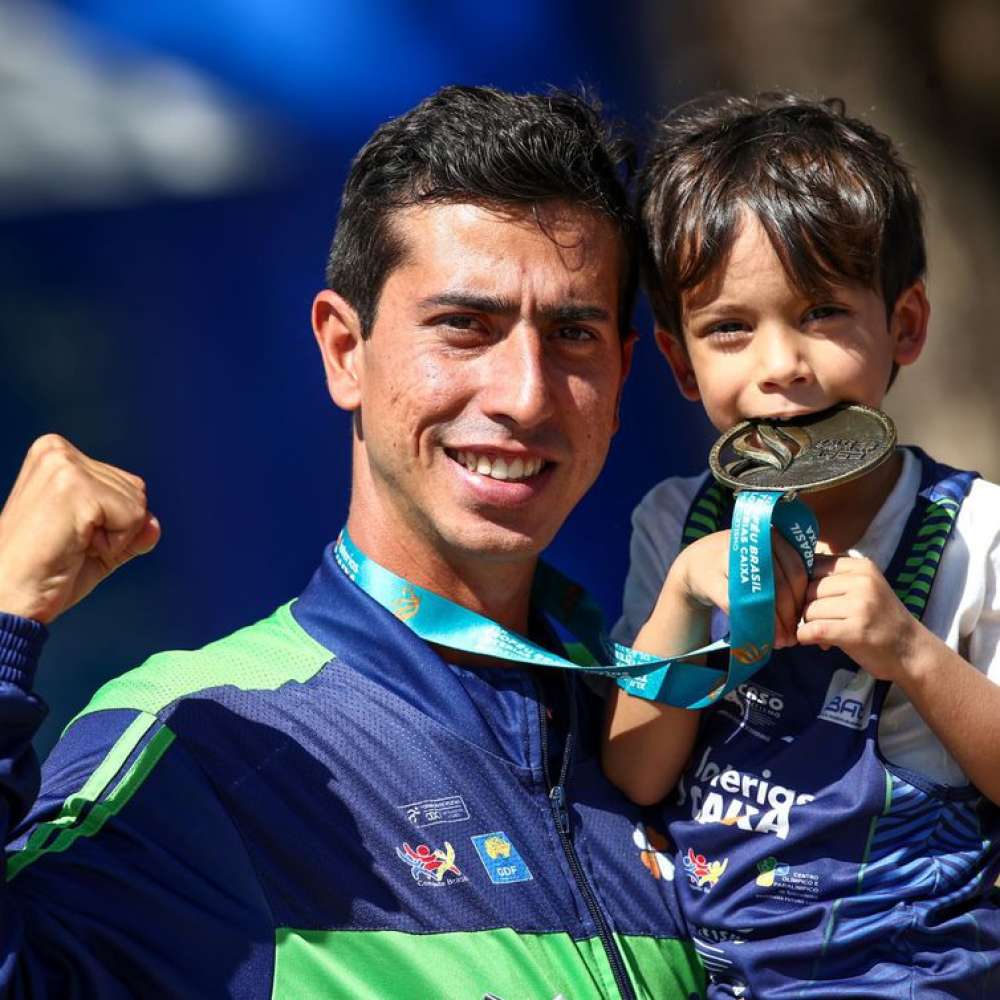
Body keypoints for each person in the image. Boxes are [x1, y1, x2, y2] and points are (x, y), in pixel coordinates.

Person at [0, 86, 706, 998]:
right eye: (465, 326)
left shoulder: (671, 732)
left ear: (619, 378)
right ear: (344, 350)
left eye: (572, 333)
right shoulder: (206, 745)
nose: (526, 395)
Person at [603, 92, 1000, 998]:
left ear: (904, 324)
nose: (780, 363)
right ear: (678, 359)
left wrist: (909, 650)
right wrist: (680, 603)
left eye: (820, 312)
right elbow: (633, 769)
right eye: (729, 329)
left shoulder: (976, 532)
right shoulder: (675, 523)